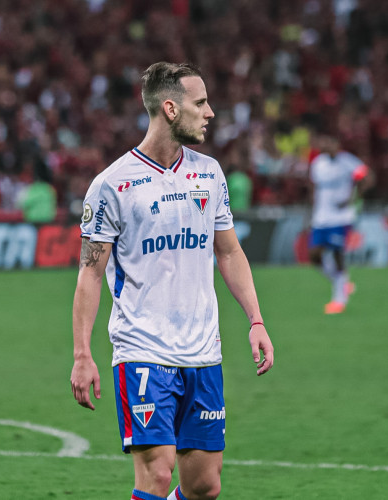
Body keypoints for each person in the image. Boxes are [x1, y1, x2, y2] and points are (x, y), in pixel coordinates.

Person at [70, 62, 274, 500]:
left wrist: (256, 320)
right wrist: (82, 354)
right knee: (158, 476)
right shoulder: (112, 186)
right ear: (170, 109)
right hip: (142, 350)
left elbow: (229, 251)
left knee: (204, 486)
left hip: (203, 352)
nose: (210, 112)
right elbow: (89, 272)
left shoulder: (210, 174)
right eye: (200, 103)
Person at [307, 133, 373, 314]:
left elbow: (367, 177)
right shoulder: (318, 163)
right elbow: (314, 189)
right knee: (314, 256)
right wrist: (311, 212)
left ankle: (339, 300)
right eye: (323, 141)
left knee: (337, 255)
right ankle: (342, 282)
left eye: (329, 141)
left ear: (336, 144)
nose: (325, 145)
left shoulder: (347, 162)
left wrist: (354, 198)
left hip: (341, 217)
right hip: (321, 217)